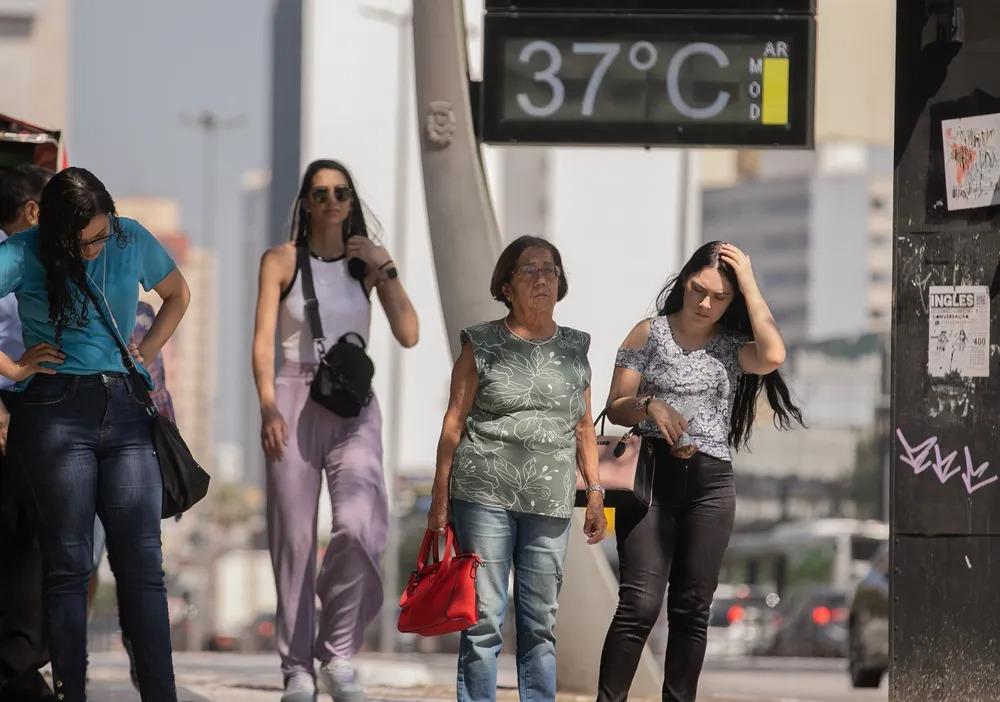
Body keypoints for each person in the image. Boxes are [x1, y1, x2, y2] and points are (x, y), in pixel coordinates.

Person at [0, 167, 191, 702]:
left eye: (101, 235)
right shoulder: (23, 251)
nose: (95, 248)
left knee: (143, 569)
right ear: (56, 230)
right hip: (55, 410)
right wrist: (13, 369)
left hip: (127, 411)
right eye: (82, 241)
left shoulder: (130, 236)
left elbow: (178, 294)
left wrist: (145, 353)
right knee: (69, 566)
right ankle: (71, 694)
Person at [595, 241, 803, 702]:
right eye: (698, 290)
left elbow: (773, 354)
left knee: (691, 610)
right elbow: (615, 407)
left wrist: (748, 281)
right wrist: (651, 404)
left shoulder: (731, 346)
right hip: (649, 481)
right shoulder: (647, 334)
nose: (706, 303)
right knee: (639, 605)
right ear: (684, 281)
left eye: (720, 297)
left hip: (710, 487)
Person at [252, 159, 419, 702]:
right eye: (319, 193)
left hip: (353, 405)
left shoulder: (364, 265)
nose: (330, 201)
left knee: (360, 526)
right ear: (305, 202)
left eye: (340, 192)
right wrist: (267, 407)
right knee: (295, 540)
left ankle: (338, 652)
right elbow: (261, 341)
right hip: (294, 397)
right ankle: (296, 668)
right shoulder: (280, 261)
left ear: (351, 202)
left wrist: (383, 264)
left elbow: (409, 333)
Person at [427, 235, 607, 702]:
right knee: (484, 618)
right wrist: (439, 501)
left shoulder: (576, 346)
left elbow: (584, 425)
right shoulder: (481, 341)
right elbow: (453, 422)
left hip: (549, 501)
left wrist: (595, 493)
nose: (542, 277)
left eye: (550, 269)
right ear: (506, 285)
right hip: (483, 492)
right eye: (529, 270)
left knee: (540, 622)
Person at [0, 164, 54, 702]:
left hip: (28, 411)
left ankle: (19, 666)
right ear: (33, 211)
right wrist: (11, 377)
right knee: (26, 543)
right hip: (9, 411)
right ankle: (16, 668)